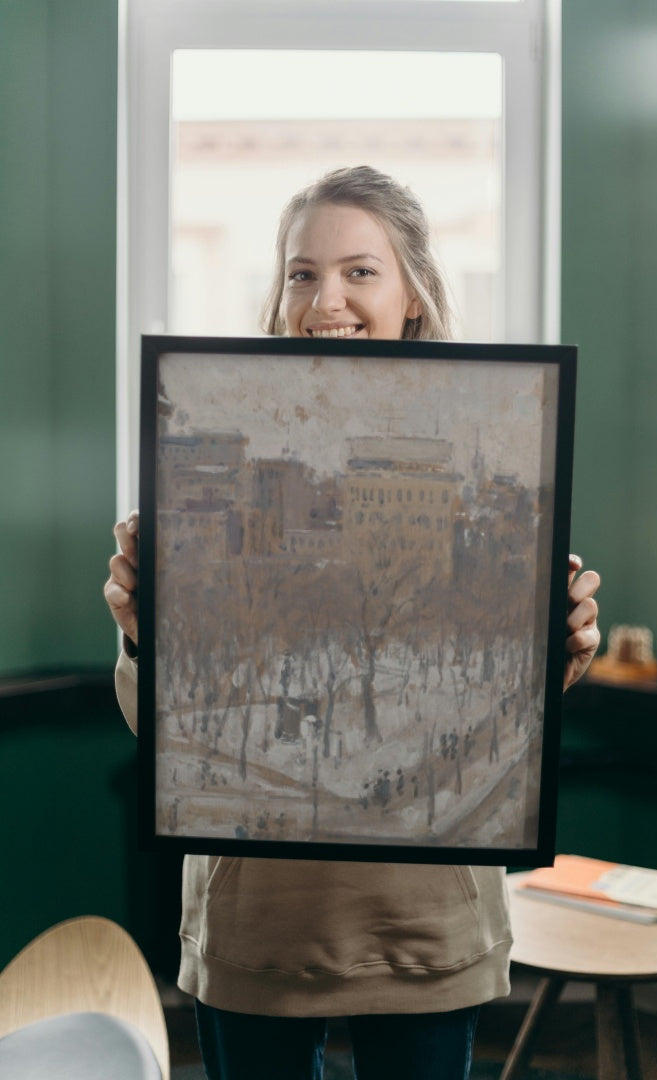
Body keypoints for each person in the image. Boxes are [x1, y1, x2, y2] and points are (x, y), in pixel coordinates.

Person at [105, 166, 601, 1080]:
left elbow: (496, 718)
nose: (324, 297)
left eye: (359, 271)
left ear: (412, 292)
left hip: (424, 921)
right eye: (301, 272)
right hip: (258, 921)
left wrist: (554, 652)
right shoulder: (216, 455)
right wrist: (145, 636)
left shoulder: (492, 456)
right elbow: (168, 728)